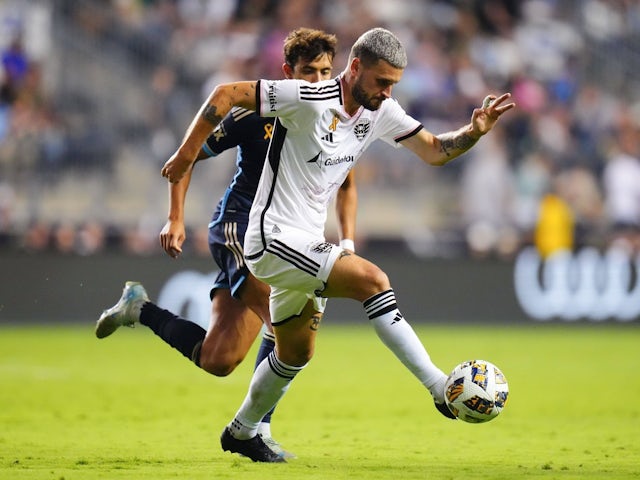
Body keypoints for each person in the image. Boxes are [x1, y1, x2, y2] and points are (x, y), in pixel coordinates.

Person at [161, 27, 515, 463]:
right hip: (271, 238)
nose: (387, 92)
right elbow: (227, 92)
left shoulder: (380, 111)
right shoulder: (309, 98)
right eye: (381, 81)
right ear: (355, 67)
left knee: (294, 352)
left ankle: (243, 430)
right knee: (372, 280)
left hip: (306, 242)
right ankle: (439, 387)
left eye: (394, 85)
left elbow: (436, 151)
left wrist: (473, 132)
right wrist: (184, 153)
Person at [95, 28, 352, 461]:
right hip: (239, 228)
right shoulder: (255, 113)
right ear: (288, 72)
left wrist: (346, 238)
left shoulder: (334, 118)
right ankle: (256, 432)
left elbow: (348, 184)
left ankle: (138, 308)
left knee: (219, 359)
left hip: (289, 240)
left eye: (326, 72)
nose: (317, 82)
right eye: (308, 72)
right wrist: (176, 216)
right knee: (283, 318)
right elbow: (187, 154)